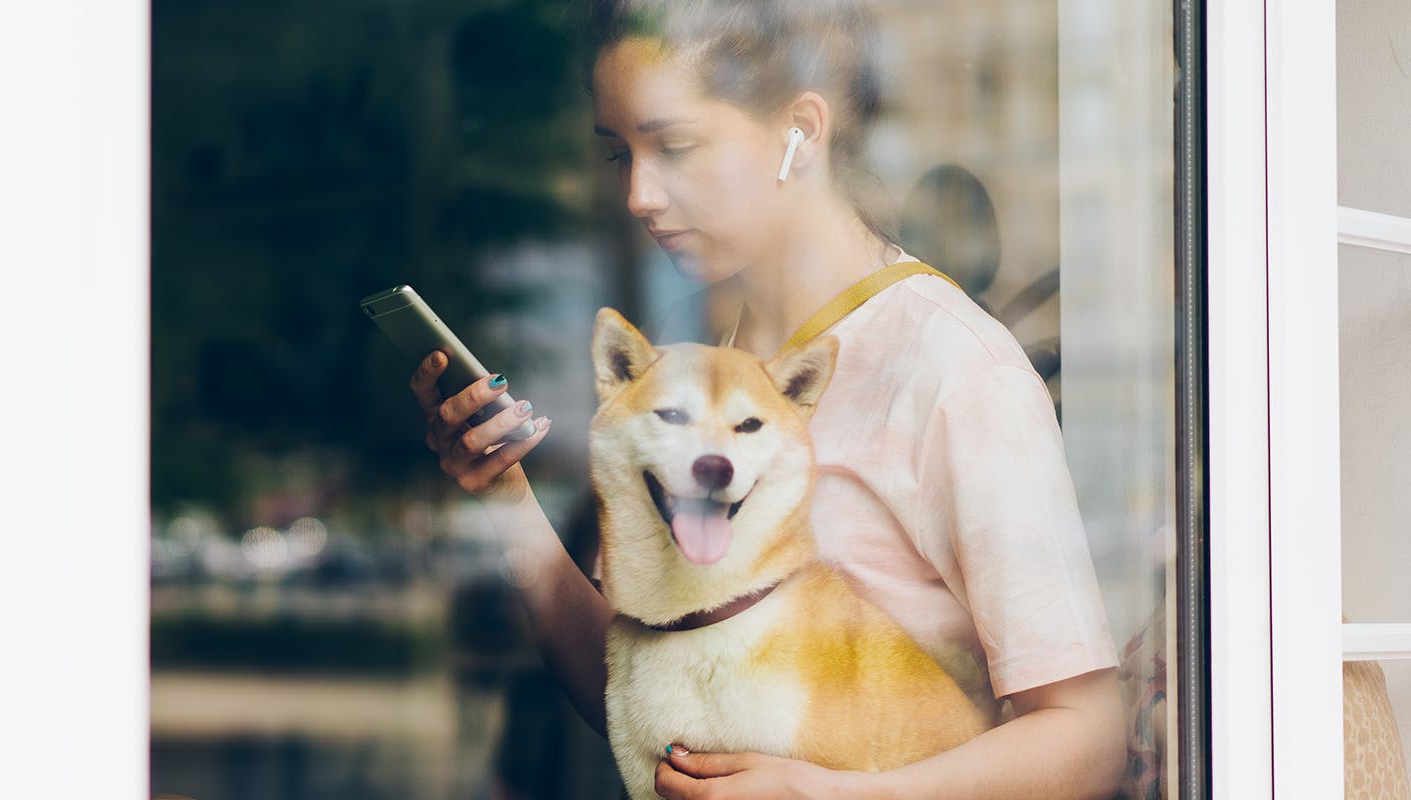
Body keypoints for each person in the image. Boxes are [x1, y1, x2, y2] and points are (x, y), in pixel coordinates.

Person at [408, 0, 1126, 797]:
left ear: (802, 132)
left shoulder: (954, 368)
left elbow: (1088, 741)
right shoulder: (703, 356)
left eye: (674, 147)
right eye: (618, 155)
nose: (640, 194)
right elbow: (644, 701)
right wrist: (506, 495)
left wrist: (828, 794)